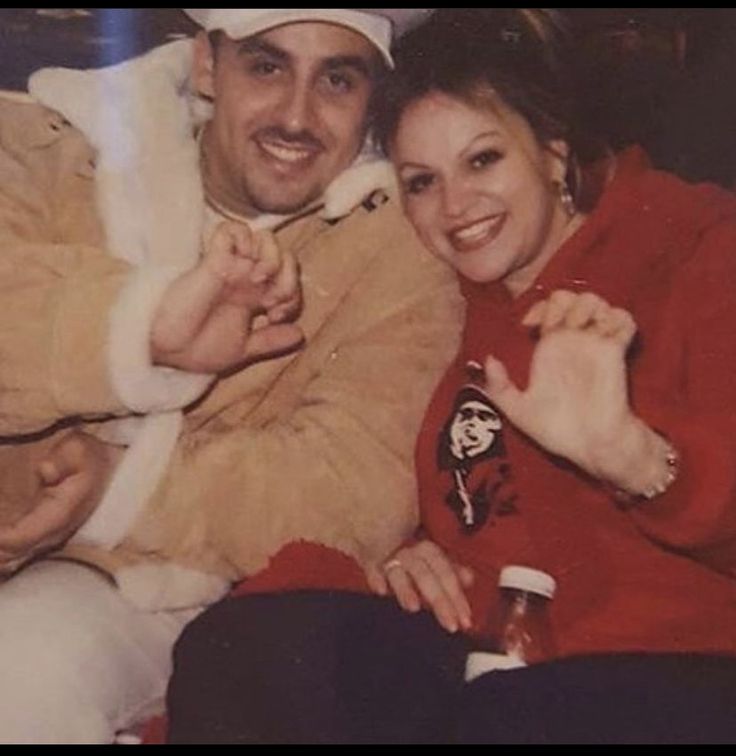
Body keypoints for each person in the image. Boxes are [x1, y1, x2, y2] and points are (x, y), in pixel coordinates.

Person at [166, 9, 736, 744]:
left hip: (682, 669)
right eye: (422, 181)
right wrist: (401, 557)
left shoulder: (694, 248)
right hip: (489, 665)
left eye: (483, 160)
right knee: (242, 647)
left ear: (554, 153)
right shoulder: (445, 303)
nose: (456, 207)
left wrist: (633, 455)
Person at [0, 8, 462, 743]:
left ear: (373, 97)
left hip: (143, 582)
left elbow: (352, 491)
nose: (296, 116)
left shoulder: (396, 253)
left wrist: (117, 487)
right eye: (267, 66)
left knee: (20, 678)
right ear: (208, 65)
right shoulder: (49, 138)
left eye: (337, 80)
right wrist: (148, 329)